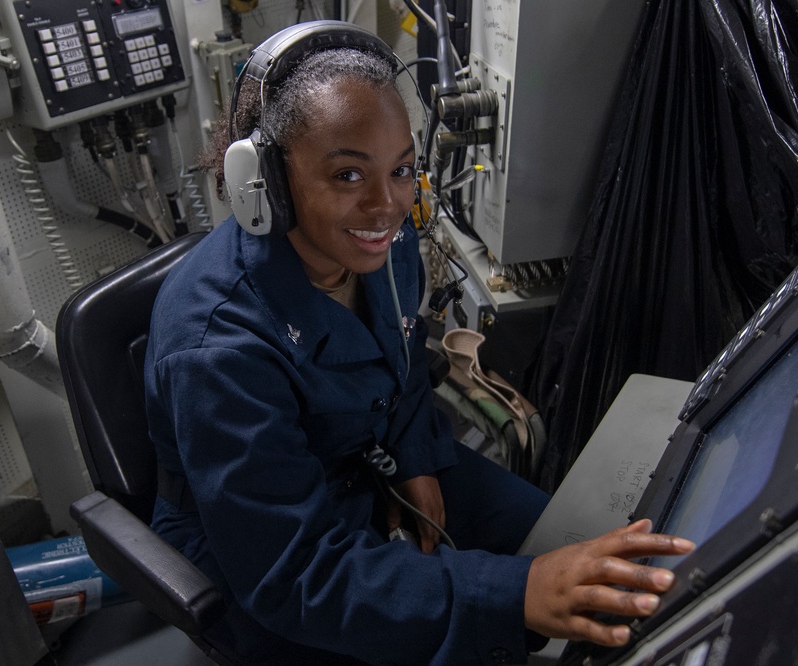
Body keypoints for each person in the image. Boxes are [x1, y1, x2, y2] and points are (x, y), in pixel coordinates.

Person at [144, 21, 694, 666]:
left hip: (375, 465)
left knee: (582, 551)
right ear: (261, 181)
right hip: (272, 552)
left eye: (401, 169)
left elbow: (402, 369)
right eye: (348, 175)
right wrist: (517, 594)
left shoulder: (389, 248)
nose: (387, 206)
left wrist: (415, 454)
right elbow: (295, 576)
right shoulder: (215, 349)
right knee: (518, 601)